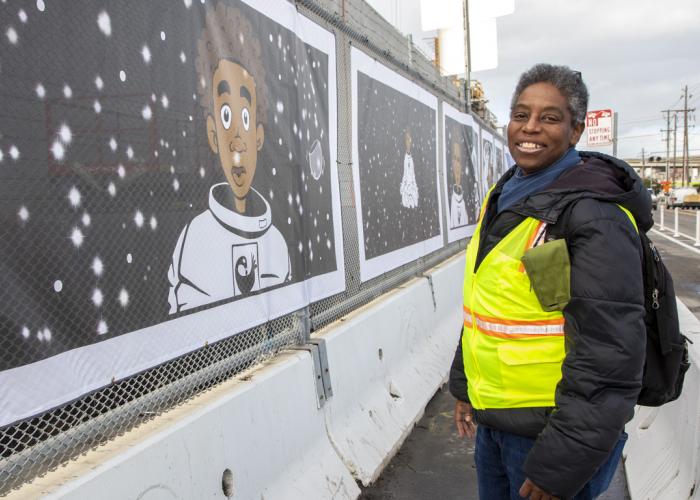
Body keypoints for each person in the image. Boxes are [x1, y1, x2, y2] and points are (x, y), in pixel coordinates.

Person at [449, 63, 651, 499]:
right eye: (521, 115)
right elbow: (489, 307)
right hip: (498, 423)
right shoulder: (506, 194)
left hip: (550, 434)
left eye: (550, 118)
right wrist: (465, 387)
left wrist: (560, 463)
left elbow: (609, 354)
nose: (531, 127)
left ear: (576, 131)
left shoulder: (594, 215)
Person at [168, 4, 290, 314]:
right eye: (226, 116)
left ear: (259, 136)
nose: (236, 138)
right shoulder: (194, 240)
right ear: (212, 134)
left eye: (245, 119)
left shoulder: (276, 243)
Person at [449, 141, 469, 228]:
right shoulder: (449, 201)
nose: (457, 166)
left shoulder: (467, 201)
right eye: (454, 159)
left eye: (459, 160)